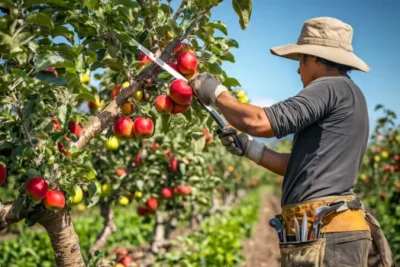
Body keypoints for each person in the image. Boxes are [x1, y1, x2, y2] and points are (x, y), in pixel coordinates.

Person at [189, 17, 394, 267]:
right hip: (328, 233)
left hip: (329, 237)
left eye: (301, 60)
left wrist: (218, 94)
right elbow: (301, 166)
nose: (298, 70)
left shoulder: (330, 87)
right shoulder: (348, 94)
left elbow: (258, 122)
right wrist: (250, 148)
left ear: (317, 58)